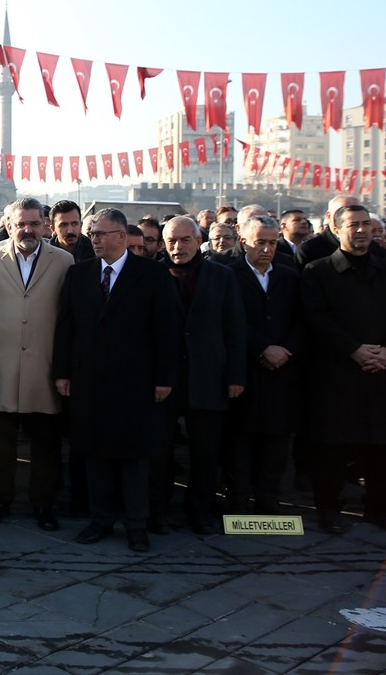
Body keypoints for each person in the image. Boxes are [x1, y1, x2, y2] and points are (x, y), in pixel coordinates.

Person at [53, 208, 181, 552]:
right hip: (90, 381)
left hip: (135, 382)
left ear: (122, 237)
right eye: (91, 233)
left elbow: (167, 330)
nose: (93, 239)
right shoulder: (79, 274)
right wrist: (62, 372)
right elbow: (66, 328)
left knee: (134, 458)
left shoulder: (151, 274)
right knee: (95, 454)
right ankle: (101, 518)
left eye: (100, 234)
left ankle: (136, 524)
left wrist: (164, 378)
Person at [301, 204, 386, 534]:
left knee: (381, 448)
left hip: (384, 370)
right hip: (338, 373)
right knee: (333, 449)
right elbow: (316, 319)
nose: (362, 230)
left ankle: (380, 509)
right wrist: (353, 349)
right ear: (336, 230)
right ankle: (328, 509)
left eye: (367, 224)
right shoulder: (317, 271)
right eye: (354, 225)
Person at [0, 198, 73, 529]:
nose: (27, 229)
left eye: (34, 223)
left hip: (44, 370)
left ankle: (43, 505)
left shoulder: (64, 261)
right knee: (1, 445)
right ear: (8, 225)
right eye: (20, 224)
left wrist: (63, 368)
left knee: (45, 446)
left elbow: (68, 318)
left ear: (44, 225)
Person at [152, 216, 246, 536]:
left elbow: (234, 329)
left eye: (185, 240)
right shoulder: (151, 275)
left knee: (206, 452)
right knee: (159, 450)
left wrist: (236, 376)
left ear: (198, 240)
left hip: (208, 376)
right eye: (171, 241)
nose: (178, 248)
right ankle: (158, 510)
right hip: (163, 379)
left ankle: (199, 510)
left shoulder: (222, 276)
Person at [224, 215, 304, 514]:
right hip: (245, 371)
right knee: (240, 443)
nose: (267, 249)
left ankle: (269, 501)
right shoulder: (227, 274)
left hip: (281, 372)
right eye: (260, 242)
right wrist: (261, 348)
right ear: (243, 240)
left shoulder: (289, 275)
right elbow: (230, 322)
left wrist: (285, 350)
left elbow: (302, 320)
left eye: (272, 243)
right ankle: (239, 502)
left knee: (276, 442)